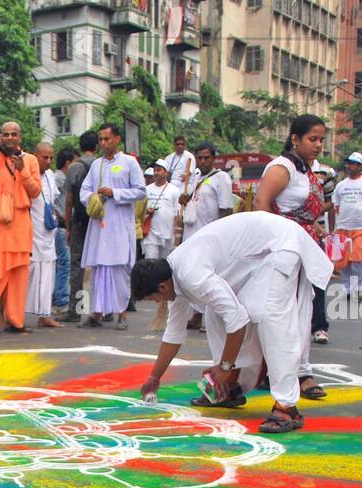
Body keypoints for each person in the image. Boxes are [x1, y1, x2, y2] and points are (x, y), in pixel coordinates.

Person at [133, 212, 332, 434]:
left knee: (269, 315)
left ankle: (286, 407)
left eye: (152, 299)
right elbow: (174, 334)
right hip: (254, 258)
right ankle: (228, 388)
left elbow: (237, 321)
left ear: (162, 287)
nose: (156, 302)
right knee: (214, 314)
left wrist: (224, 366)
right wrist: (154, 378)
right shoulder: (174, 280)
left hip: (279, 244)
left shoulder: (191, 274)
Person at [253, 113, 330, 394]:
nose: (318, 145)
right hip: (283, 250)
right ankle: (298, 373)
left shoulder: (306, 170)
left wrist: (315, 229)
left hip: (304, 248)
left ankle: (288, 370)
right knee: (286, 314)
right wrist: (272, 243)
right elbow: (262, 203)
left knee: (302, 311)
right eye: (313, 139)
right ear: (295, 139)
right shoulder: (282, 167)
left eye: (322, 139)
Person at [76, 124, 142, 331]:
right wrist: (93, 199)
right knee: (98, 270)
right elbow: (84, 191)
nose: (103, 143)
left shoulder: (129, 163)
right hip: (100, 225)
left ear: (117, 139)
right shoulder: (96, 165)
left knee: (120, 269)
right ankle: (96, 313)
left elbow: (140, 191)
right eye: (101, 140)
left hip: (120, 225)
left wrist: (115, 193)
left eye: (107, 139)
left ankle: (122, 314)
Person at [0, 121, 41, 336]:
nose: (10, 138)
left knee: (17, 276)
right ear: (0, 137)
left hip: (20, 225)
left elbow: (35, 192)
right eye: (6, 134)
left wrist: (23, 171)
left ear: (20, 138)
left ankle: (16, 320)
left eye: (14, 134)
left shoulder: (31, 160)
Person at [331, 152, 362, 299]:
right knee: (344, 261)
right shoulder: (340, 185)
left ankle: (359, 288)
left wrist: (361, 214)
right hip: (343, 227)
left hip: (361, 227)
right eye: (348, 163)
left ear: (359, 166)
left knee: (359, 259)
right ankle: (347, 289)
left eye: (352, 163)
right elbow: (337, 206)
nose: (349, 166)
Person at [62, 130, 98, 322]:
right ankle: (103, 310)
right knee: (100, 265)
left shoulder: (74, 168)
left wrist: (68, 226)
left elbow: (68, 201)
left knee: (76, 265)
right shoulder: (102, 166)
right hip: (99, 223)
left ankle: (75, 311)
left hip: (79, 222)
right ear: (97, 146)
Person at [26, 141, 61, 329]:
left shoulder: (50, 176)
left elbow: (52, 200)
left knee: (48, 272)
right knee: (28, 273)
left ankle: (44, 314)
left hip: (47, 232)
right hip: (30, 232)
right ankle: (13, 313)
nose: (48, 161)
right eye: (44, 157)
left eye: (51, 158)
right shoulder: (26, 174)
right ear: (34, 156)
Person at [181, 142, 231, 244]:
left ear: (214, 159)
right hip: (190, 236)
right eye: (199, 158)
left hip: (208, 237)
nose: (203, 161)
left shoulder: (221, 177)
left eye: (206, 158)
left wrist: (221, 238)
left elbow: (226, 211)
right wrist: (184, 200)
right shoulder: (196, 177)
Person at [52, 147, 76, 316]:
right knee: (64, 263)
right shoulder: (58, 178)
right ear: (68, 162)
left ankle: (57, 297)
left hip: (63, 226)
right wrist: (61, 215)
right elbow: (50, 200)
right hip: (60, 226)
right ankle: (61, 300)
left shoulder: (63, 177)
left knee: (60, 264)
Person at [142, 160, 180, 261]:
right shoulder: (146, 189)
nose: (156, 173)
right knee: (150, 263)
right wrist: (146, 211)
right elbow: (139, 210)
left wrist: (176, 237)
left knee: (165, 264)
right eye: (155, 170)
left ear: (166, 173)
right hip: (150, 233)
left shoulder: (174, 190)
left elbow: (177, 214)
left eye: (159, 170)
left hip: (167, 234)